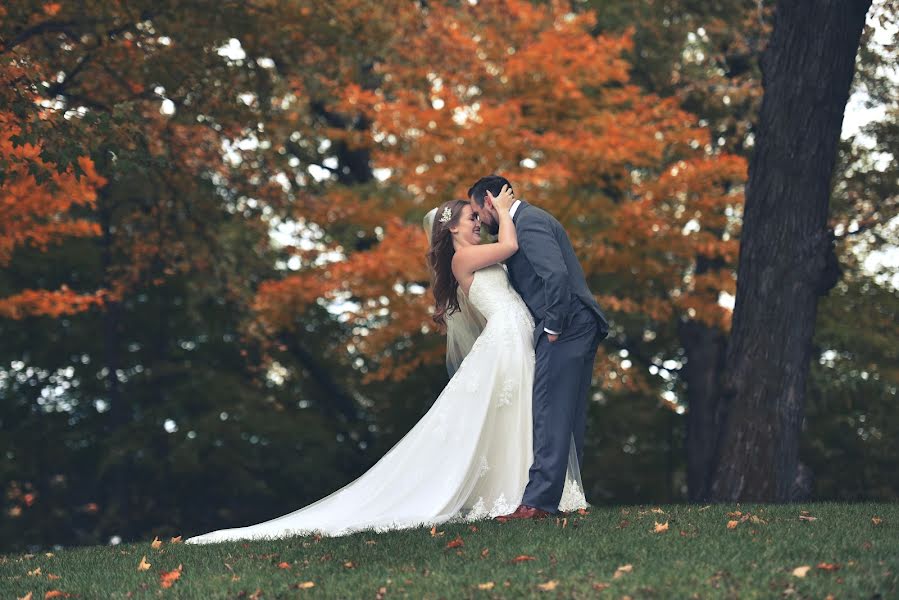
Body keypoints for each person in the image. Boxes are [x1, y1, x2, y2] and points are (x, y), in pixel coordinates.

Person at [185, 184, 586, 544]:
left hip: (518, 335)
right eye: (472, 218)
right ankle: (522, 494)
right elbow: (511, 247)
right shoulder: (462, 260)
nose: (479, 222)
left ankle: (532, 493)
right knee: (514, 411)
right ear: (451, 229)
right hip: (505, 341)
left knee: (526, 413)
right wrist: (504, 205)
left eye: (477, 215)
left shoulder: (477, 253)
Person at [467, 175, 609, 521]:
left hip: (567, 325)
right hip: (579, 323)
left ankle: (537, 504)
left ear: (489, 200)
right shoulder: (527, 221)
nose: (478, 221)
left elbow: (555, 276)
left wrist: (553, 325)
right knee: (566, 414)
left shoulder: (527, 222)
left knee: (549, 410)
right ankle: (560, 497)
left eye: (476, 211)